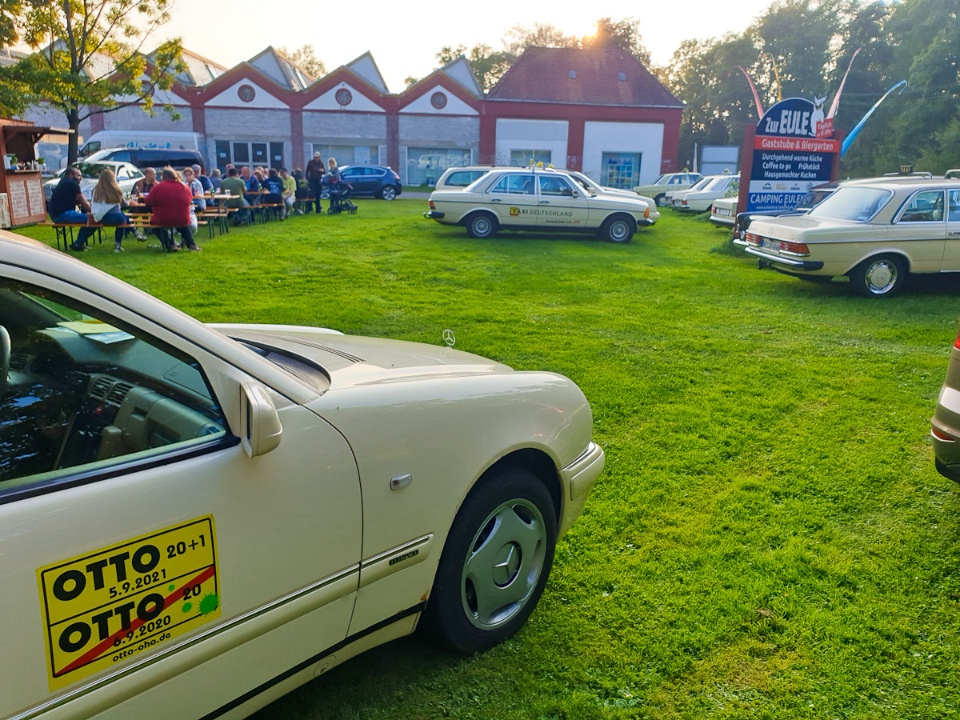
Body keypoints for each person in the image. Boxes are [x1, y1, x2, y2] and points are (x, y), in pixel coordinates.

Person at [145, 167, 201, 252]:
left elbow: (148, 201)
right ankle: (191, 245)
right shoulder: (184, 186)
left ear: (164, 176)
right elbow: (190, 200)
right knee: (183, 225)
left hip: (163, 218)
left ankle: (171, 244)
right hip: (182, 217)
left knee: (156, 227)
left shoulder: (158, 187)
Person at [90, 167, 139, 252]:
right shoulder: (116, 190)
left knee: (122, 215)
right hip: (116, 217)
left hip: (101, 217)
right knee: (122, 218)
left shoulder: (96, 191)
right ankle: (119, 244)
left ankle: (136, 232)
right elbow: (125, 204)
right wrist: (130, 203)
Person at [48, 166, 95, 252]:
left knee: (89, 218)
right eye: (79, 176)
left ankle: (79, 243)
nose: (81, 178)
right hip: (63, 215)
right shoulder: (72, 184)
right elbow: (83, 201)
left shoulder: (63, 182)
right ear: (70, 174)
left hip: (55, 215)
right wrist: (94, 212)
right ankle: (78, 243)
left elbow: (77, 201)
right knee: (93, 219)